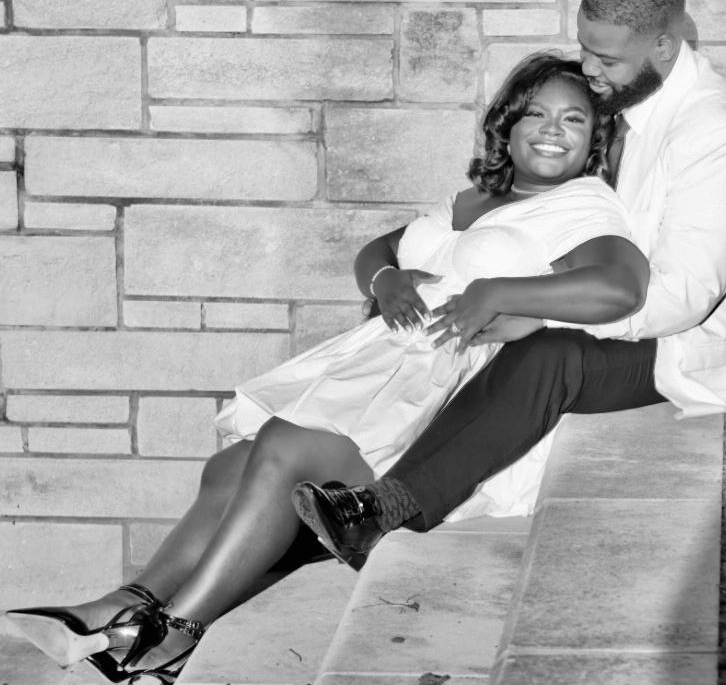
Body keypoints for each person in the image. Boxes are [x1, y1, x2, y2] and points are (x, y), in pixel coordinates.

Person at [4, 58, 649, 683]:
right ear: (507, 124)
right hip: (381, 367)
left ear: (594, 137)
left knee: (286, 447)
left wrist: (503, 294)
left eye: (573, 119)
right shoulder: (471, 198)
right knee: (231, 467)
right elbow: (380, 249)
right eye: (536, 113)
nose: (552, 130)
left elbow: (619, 288)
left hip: (447, 388)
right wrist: (385, 277)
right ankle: (125, 606)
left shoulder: (583, 205)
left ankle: (176, 631)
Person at [292, 0, 726, 571]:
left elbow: (683, 296)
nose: (588, 70)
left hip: (688, 347)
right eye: (585, 49)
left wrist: (537, 311)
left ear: (663, 46)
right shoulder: (632, 100)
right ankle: (323, 508)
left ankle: (388, 509)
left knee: (549, 356)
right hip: (610, 304)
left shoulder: (709, 131)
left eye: (606, 59)